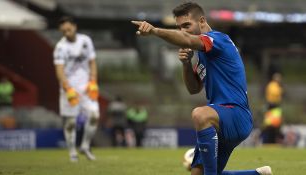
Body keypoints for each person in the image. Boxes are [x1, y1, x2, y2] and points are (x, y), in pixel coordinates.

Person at [131, 2, 272, 175]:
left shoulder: (218, 39)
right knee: (198, 173)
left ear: (202, 21)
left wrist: (154, 31)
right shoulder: (202, 56)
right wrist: (185, 64)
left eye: (187, 25)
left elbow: (188, 40)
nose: (183, 31)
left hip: (235, 114)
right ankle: (258, 174)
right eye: (180, 27)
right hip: (220, 119)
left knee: (200, 114)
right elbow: (194, 88)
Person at [53, 16, 100, 162]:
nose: (67, 33)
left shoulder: (85, 41)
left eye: (69, 29)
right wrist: (67, 88)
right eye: (64, 31)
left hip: (86, 86)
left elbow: (92, 62)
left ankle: (85, 146)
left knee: (94, 116)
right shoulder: (60, 48)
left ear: (75, 27)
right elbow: (59, 70)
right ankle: (72, 152)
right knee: (71, 122)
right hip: (70, 89)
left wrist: (93, 81)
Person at [262, 72, 283, 143]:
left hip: (275, 106)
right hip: (272, 106)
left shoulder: (276, 85)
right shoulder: (272, 85)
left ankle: (273, 140)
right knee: (270, 124)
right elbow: (275, 93)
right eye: (278, 78)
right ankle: (268, 140)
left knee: (275, 125)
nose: (279, 79)